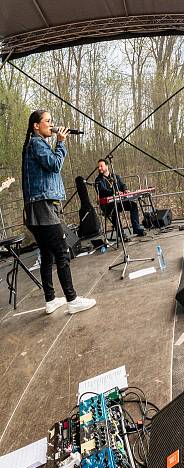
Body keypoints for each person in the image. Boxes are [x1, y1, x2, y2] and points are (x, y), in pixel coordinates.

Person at [21, 110, 95, 315]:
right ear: (36, 125)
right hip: (41, 206)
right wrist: (60, 142)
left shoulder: (35, 143)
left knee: (46, 253)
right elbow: (54, 165)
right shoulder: (36, 143)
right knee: (62, 252)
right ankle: (72, 300)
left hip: (37, 205)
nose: (52, 124)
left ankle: (51, 299)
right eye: (48, 121)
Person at [95, 158, 146, 237]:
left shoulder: (115, 176)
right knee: (114, 210)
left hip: (119, 202)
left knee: (133, 205)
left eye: (101, 166)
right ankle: (121, 234)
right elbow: (102, 191)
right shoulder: (98, 180)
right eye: (98, 167)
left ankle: (136, 228)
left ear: (107, 166)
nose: (99, 168)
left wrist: (125, 190)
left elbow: (122, 185)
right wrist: (114, 192)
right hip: (107, 205)